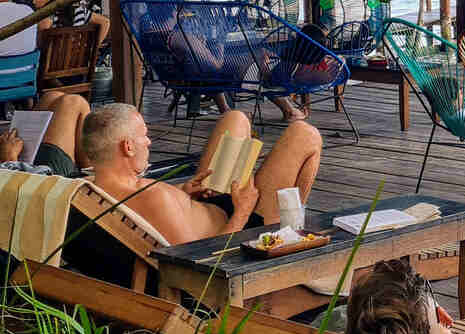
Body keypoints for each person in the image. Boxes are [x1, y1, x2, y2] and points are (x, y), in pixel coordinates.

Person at [80, 103, 322, 244]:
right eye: (143, 135)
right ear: (128, 147)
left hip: (209, 202)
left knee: (235, 117)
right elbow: (199, 264)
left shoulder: (92, 189)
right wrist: (243, 210)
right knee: (305, 135)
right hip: (242, 226)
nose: (150, 142)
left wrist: (183, 193)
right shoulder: (153, 198)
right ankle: (290, 229)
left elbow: (153, 210)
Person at [143, 0, 307, 121]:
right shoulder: (180, 37)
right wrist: (220, 42)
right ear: (174, 10)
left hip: (177, 76)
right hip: (205, 78)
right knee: (257, 60)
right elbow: (215, 65)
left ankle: (227, 110)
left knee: (253, 60)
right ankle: (289, 108)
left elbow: (192, 58)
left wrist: (200, 44)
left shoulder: (149, 35)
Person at [32, 0, 111, 50]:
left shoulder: (46, 18)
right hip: (80, 62)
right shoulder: (79, 10)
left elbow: (40, 47)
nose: (33, 2)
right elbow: (105, 22)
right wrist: (93, 48)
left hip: (53, 65)